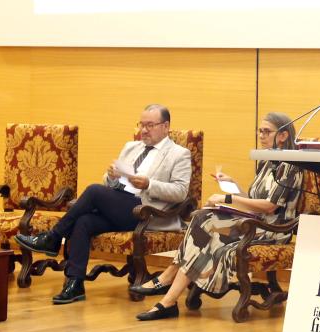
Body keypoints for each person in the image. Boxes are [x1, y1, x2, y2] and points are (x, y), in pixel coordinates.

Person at [130, 112, 303, 321]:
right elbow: (253, 199)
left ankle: (168, 282)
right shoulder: (267, 160)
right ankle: (169, 300)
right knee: (203, 218)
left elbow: (268, 207)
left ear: (283, 136)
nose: (261, 135)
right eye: (259, 130)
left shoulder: (291, 165)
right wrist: (233, 185)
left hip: (272, 231)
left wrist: (227, 198)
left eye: (266, 131)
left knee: (205, 221)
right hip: (254, 222)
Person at [15, 104, 192, 305]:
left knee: (93, 191)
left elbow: (180, 192)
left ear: (165, 126)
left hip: (146, 213)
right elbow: (111, 184)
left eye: (150, 125)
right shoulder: (131, 147)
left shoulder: (179, 154)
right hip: (120, 205)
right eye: (141, 125)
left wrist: (149, 184)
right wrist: (111, 176)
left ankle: (53, 237)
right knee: (84, 221)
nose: (143, 130)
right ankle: (75, 284)